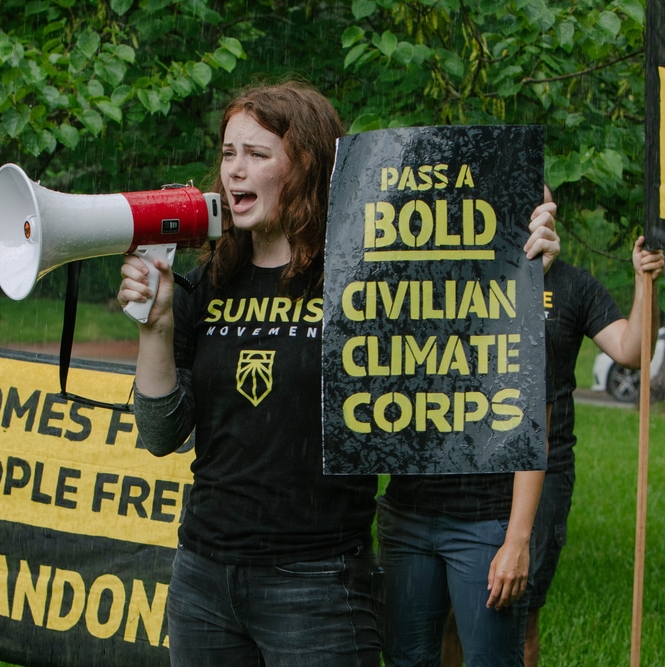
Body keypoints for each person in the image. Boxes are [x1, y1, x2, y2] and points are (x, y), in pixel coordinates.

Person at [117, 80, 559, 666]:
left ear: (306, 166)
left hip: (317, 585)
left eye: (257, 154)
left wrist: (518, 266)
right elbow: (159, 435)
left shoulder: (370, 279)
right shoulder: (206, 281)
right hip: (203, 579)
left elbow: (475, 353)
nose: (234, 172)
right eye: (228, 154)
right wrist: (156, 328)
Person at [440, 185, 664, 667]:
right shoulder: (467, 278)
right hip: (470, 464)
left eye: (538, 201)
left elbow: (632, 351)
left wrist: (645, 283)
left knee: (518, 615)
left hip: (547, 466)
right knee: (455, 619)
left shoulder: (574, 285)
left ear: (551, 213)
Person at [374, 189, 560, 666]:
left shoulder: (515, 303)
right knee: (406, 660)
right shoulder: (402, 297)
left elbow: (535, 426)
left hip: (487, 523)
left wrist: (518, 540)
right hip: (406, 519)